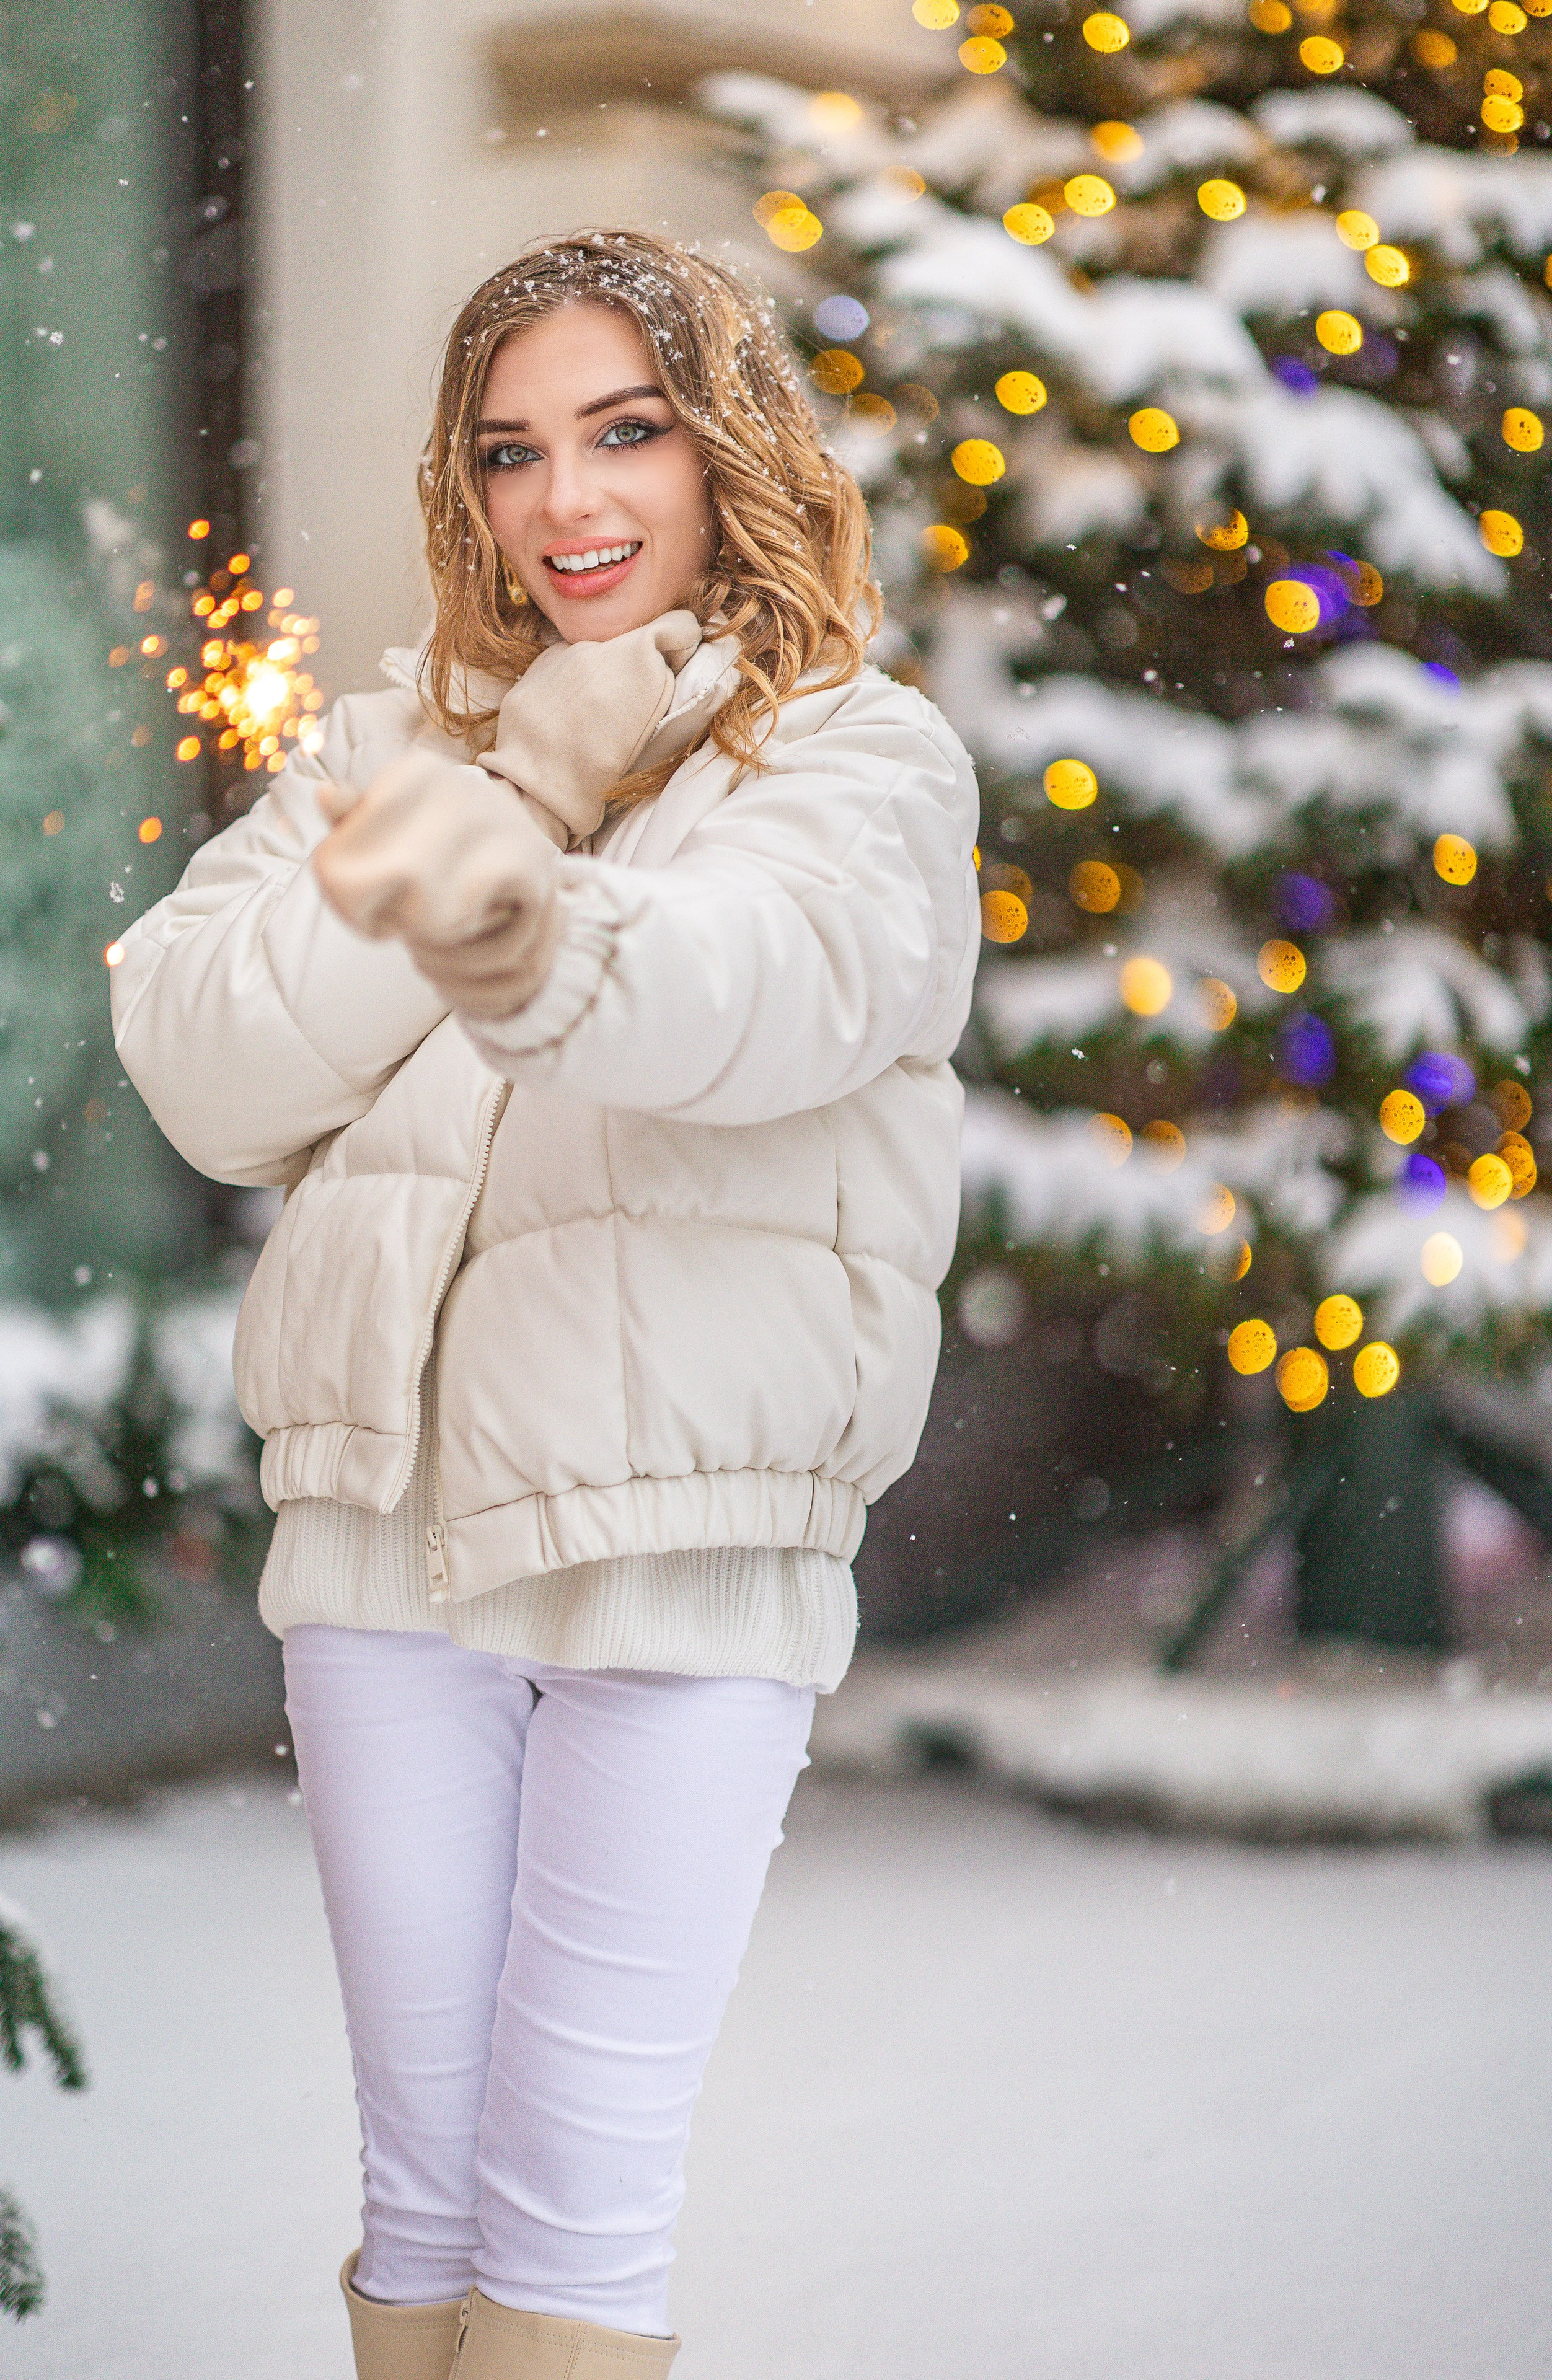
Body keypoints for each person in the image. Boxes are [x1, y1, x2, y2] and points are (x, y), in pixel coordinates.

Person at [112, 227, 979, 2380]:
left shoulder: (861, 765)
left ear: (728, 448)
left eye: (626, 432)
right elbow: (209, 1062)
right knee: (425, 2199)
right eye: (513, 452)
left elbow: (751, 1003)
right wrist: (516, 784)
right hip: (385, 1546)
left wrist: (528, 921)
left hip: (682, 1550)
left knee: (575, 2206)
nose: (567, 503)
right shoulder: (396, 750)